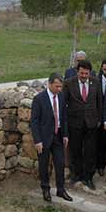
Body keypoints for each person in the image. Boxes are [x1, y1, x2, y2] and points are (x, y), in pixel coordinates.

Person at [30, 74, 72, 202]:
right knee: (44, 164)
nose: (59, 89)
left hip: (58, 136)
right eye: (57, 86)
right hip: (44, 137)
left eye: (61, 86)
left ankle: (61, 189)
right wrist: (37, 140)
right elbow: (34, 121)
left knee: (60, 163)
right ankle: (45, 188)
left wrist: (65, 134)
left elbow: (63, 117)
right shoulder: (39, 99)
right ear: (49, 84)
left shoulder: (61, 96)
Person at [64, 60, 102, 189]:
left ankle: (88, 177)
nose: (84, 76)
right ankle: (76, 174)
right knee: (75, 149)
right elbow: (64, 103)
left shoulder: (96, 82)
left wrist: (99, 119)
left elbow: (99, 101)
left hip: (91, 123)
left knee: (90, 151)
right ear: (77, 71)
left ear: (90, 72)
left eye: (86, 73)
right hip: (75, 123)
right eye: (82, 73)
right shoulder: (69, 83)